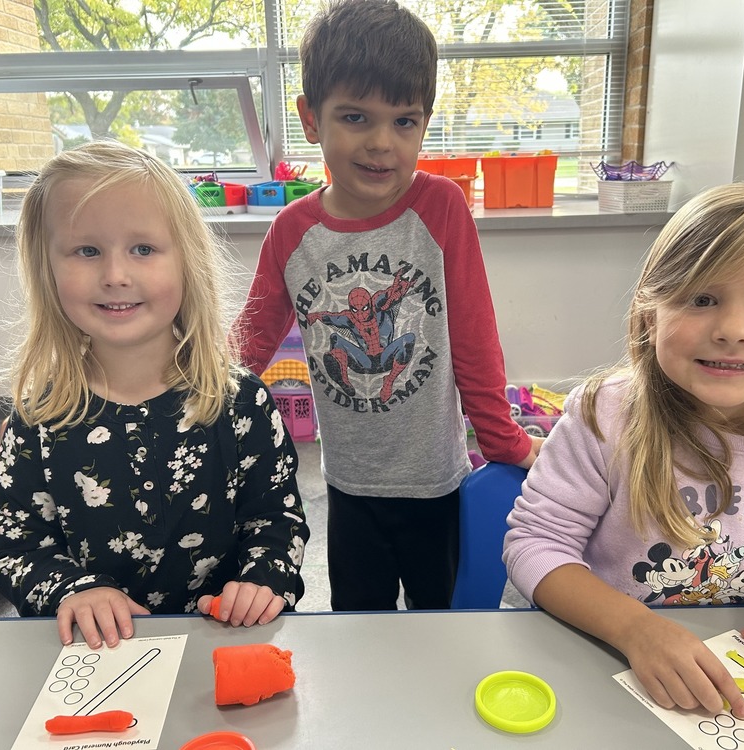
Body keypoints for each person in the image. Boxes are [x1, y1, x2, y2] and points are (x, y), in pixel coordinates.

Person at [504, 183, 744, 719]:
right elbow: (535, 546)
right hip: (599, 661)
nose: (732, 330)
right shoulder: (606, 416)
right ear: (651, 314)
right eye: (701, 299)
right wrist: (635, 630)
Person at [234, 0, 541, 611]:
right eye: (356, 117)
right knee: (359, 629)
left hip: (436, 483)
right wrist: (190, 412)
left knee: (441, 626)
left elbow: (474, 338)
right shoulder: (292, 231)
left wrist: (503, 441)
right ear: (311, 119)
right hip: (348, 486)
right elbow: (246, 347)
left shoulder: (442, 207)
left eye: (405, 122)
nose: (382, 144)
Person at [0, 140, 309, 648]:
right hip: (94, 659)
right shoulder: (37, 419)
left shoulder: (242, 403)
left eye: (143, 249)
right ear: (48, 269)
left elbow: (276, 519)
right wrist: (73, 589)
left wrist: (265, 579)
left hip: (221, 643)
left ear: (186, 262)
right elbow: (14, 550)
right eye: (87, 251)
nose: (115, 276)